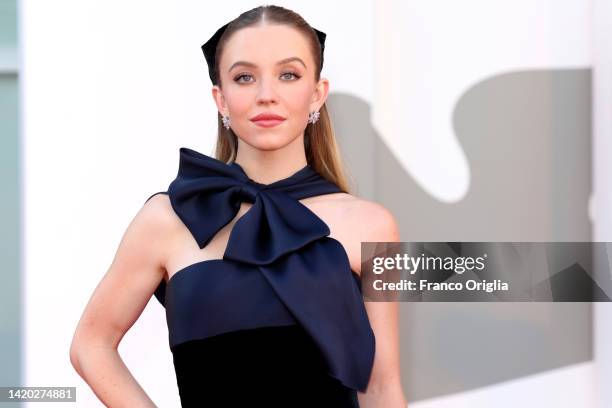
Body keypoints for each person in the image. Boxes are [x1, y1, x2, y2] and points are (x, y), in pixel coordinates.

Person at [69, 4, 406, 407]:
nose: (267, 95)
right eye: (244, 77)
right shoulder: (167, 221)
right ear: (221, 98)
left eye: (289, 75)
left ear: (317, 94)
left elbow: (382, 385)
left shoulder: (372, 226)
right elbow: (90, 344)